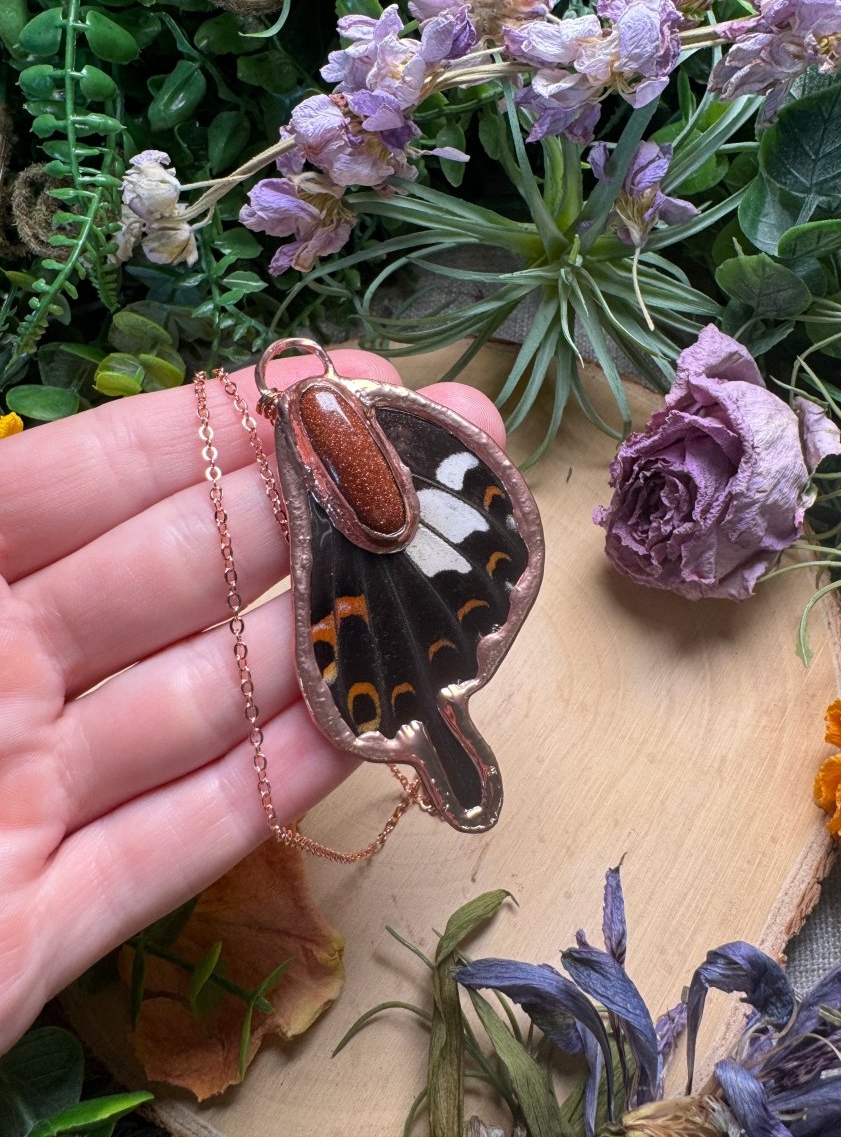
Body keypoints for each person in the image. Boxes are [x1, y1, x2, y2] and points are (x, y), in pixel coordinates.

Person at [0, 347, 506, 1054]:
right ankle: (434, 723)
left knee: (387, 637)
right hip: (379, 556)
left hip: (410, 539)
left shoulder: (330, 432)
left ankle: (433, 720)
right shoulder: (318, 439)